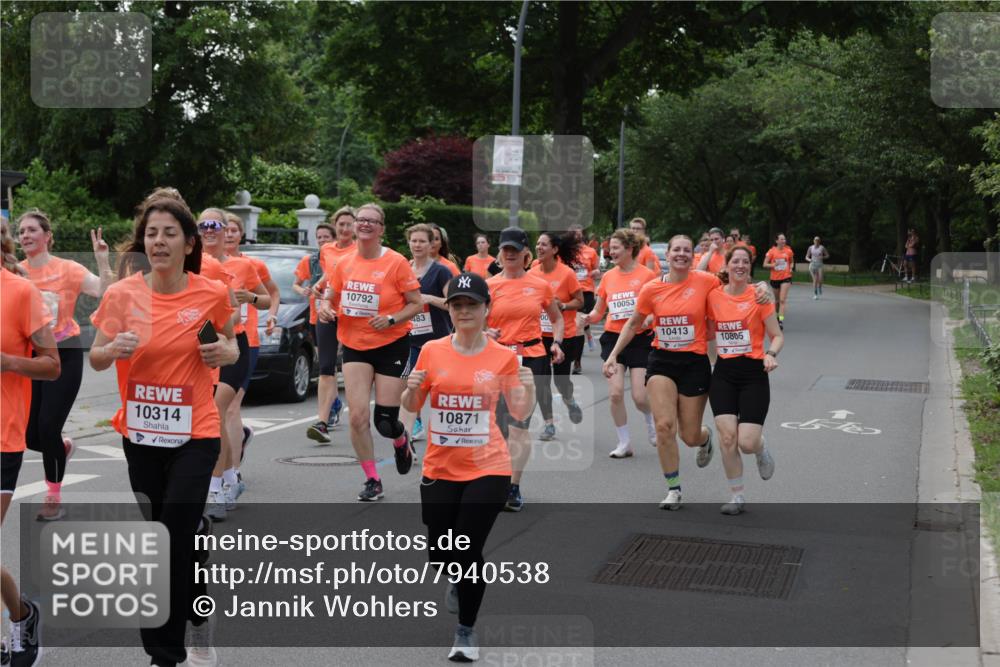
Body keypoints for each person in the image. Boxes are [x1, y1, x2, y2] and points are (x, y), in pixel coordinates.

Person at [90, 196, 238, 667]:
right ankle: (198, 613)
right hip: (141, 436)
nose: (158, 241)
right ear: (142, 242)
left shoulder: (209, 292)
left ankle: (163, 655)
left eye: (169, 233)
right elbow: (94, 358)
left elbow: (232, 342)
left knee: (169, 541)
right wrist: (113, 346)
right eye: (151, 233)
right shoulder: (121, 295)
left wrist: (225, 354)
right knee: (168, 539)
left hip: (195, 431)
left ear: (189, 242)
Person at [401, 272, 535, 662]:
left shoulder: (504, 356)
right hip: (440, 466)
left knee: (467, 548)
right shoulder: (431, 351)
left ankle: (466, 631)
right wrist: (411, 388)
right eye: (457, 305)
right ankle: (457, 579)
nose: (464, 312)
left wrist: (524, 387)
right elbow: (413, 408)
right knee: (441, 553)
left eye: (471, 305)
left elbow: (521, 413)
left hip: (488, 467)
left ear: (486, 309)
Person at [16, 209, 115, 520]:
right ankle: (63, 447)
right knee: (31, 436)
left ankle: (53, 497)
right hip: (32, 356)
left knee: (47, 427)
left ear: (47, 236)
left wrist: (102, 259)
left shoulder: (68, 269)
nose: (26, 236)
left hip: (66, 352)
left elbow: (105, 291)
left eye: (32, 230)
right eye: (21, 232)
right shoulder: (16, 273)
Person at [320, 203, 422, 501]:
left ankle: (401, 440)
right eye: (360, 220)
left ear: (381, 229)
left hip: (392, 344)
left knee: (385, 422)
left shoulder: (396, 262)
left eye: (371, 221)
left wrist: (391, 319)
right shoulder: (344, 262)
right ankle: (372, 479)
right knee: (357, 417)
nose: (364, 224)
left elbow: (415, 303)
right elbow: (330, 295)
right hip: (355, 345)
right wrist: (326, 308)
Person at [606, 234, 717, 509]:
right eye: (676, 250)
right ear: (667, 255)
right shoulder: (652, 289)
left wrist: (761, 287)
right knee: (664, 426)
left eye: (687, 250)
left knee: (689, 436)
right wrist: (612, 355)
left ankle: (705, 438)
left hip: (694, 362)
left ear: (693, 256)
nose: (681, 254)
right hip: (661, 361)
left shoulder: (707, 281)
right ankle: (674, 488)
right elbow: (633, 324)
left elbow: (737, 291)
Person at [2, 216, 60, 667]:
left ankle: (20, 621)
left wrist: (7, 361)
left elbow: (52, 365)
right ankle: (22, 614)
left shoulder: (21, 293)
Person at [198, 208, 271, 520]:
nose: (211, 230)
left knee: (215, 414)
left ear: (227, 229)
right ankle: (229, 479)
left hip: (235, 345)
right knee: (213, 417)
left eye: (216, 224)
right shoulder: (191, 263)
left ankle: (214, 490)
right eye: (204, 225)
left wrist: (249, 298)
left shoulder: (243, 264)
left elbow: (266, 299)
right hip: (202, 345)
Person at [486, 227, 564, 512]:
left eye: (514, 250)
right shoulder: (489, 285)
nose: (509, 254)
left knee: (519, 424)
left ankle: (513, 487)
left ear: (525, 254)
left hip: (531, 357)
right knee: (497, 425)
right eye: (505, 249)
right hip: (497, 357)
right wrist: (485, 332)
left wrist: (556, 342)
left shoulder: (540, 285)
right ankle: (495, 477)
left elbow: (556, 319)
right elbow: (472, 321)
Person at [707, 245, 783, 515]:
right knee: (727, 438)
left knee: (746, 442)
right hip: (724, 373)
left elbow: (777, 335)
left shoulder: (760, 297)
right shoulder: (713, 296)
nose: (740, 265)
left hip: (753, 373)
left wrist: (771, 354)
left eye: (745, 262)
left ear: (750, 268)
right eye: (735, 261)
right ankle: (737, 496)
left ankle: (761, 449)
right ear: (727, 266)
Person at [586, 229, 657, 457]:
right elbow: (599, 311)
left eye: (615, 248)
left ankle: (650, 422)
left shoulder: (647, 276)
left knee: (639, 396)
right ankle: (624, 442)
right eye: (610, 248)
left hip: (640, 339)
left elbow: (658, 308)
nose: (610, 252)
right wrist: (587, 318)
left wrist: (649, 318)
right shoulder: (608, 277)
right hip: (613, 338)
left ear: (629, 249)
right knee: (615, 393)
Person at [224, 212, 280, 468]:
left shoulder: (251, 266)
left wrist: (268, 313)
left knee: (232, 407)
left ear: (241, 234)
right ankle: (228, 453)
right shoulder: (201, 264)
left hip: (246, 340)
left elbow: (272, 294)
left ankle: (232, 474)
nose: (228, 234)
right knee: (217, 410)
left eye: (234, 230)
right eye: (225, 229)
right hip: (214, 341)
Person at [306, 207, 356, 443]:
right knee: (326, 367)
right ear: (335, 226)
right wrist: (319, 284)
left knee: (353, 366)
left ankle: (359, 415)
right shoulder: (327, 249)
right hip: (327, 311)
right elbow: (330, 275)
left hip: (354, 315)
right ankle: (322, 422)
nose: (345, 229)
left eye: (349, 224)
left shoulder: (361, 250)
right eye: (341, 224)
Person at [399, 223, 453, 443]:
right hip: (410, 339)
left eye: (422, 241)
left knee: (442, 387)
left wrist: (430, 299)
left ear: (432, 244)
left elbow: (453, 304)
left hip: (439, 340)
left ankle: (447, 426)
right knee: (412, 385)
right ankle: (415, 424)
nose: (417, 245)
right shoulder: (403, 269)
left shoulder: (441, 271)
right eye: (414, 241)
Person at [529, 231, 584, 439]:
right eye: (538, 244)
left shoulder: (566, 274)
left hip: (564, 335)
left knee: (561, 382)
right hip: (538, 335)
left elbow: (580, 302)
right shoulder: (533, 271)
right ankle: (549, 424)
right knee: (541, 381)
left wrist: (563, 305)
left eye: (544, 244)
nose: (539, 248)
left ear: (554, 250)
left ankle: (569, 401)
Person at [567, 223, 600, 373]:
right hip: (568, 291)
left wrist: (595, 273)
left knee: (579, 325)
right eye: (572, 233)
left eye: (578, 232)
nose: (575, 235)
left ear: (582, 235)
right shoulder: (564, 251)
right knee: (571, 325)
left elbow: (596, 269)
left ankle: (577, 362)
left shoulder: (590, 251)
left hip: (585, 290)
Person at [763, 233, 795, 328]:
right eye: (781, 239)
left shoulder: (788, 251)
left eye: (784, 239)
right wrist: (773, 265)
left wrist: (791, 268)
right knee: (776, 301)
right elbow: (764, 264)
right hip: (775, 278)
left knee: (782, 300)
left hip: (786, 277)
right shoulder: (771, 251)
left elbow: (792, 261)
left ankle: (780, 321)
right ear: (776, 241)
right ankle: (777, 316)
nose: (783, 241)